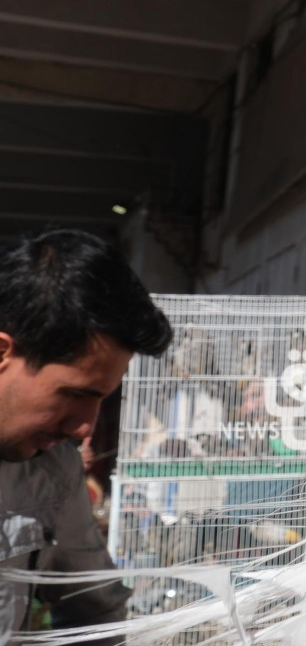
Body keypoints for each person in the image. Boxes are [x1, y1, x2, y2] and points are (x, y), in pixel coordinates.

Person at [0, 228, 173, 637]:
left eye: (102, 400)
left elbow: (95, 613)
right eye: (74, 394)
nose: (84, 428)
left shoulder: (52, 474)